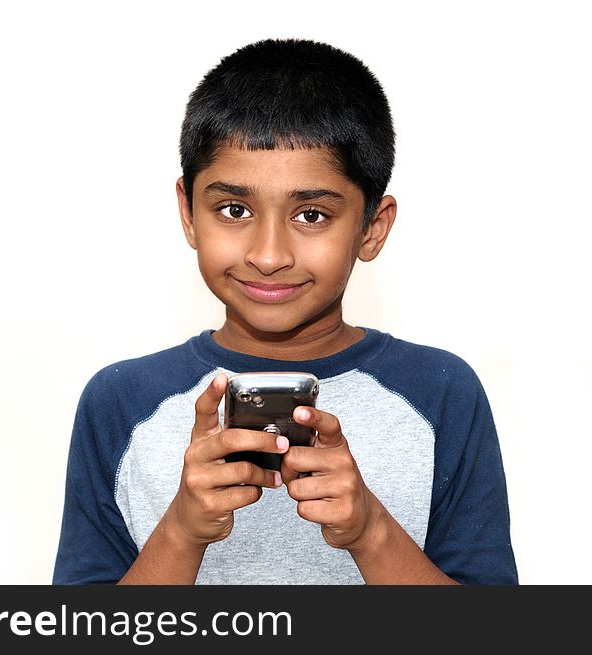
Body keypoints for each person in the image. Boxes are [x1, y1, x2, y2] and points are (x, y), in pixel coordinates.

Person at [52, 37, 517, 585]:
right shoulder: (120, 401)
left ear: (372, 226)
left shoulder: (442, 391)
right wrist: (181, 529)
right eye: (234, 209)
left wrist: (370, 530)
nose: (268, 255)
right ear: (188, 212)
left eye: (313, 215)